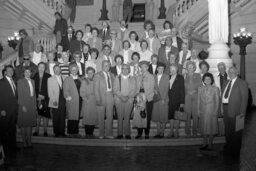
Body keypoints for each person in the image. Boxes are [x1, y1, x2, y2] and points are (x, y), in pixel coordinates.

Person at [222, 66, 248, 156]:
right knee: (228, 130)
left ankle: (236, 151)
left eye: (233, 71)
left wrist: (242, 112)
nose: (231, 73)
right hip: (226, 109)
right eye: (230, 72)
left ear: (237, 73)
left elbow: (245, 99)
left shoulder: (242, 83)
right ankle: (228, 147)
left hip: (237, 111)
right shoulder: (225, 82)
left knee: (237, 132)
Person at [113, 64, 136, 139]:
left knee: (127, 117)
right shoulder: (117, 78)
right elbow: (115, 89)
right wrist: (121, 96)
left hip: (129, 100)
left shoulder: (132, 78)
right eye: (123, 68)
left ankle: (127, 134)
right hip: (119, 100)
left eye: (127, 68)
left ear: (129, 70)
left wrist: (128, 97)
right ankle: (119, 134)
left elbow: (134, 90)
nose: (125, 70)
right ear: (121, 69)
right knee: (119, 117)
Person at [198, 73, 220, 151]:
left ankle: (210, 144)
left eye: (209, 79)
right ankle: (204, 143)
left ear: (211, 80)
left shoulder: (216, 89)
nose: (207, 80)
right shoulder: (200, 88)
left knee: (211, 128)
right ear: (203, 80)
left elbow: (217, 101)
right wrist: (198, 110)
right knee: (203, 127)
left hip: (211, 110)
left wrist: (216, 111)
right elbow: (198, 100)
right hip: (203, 111)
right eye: (206, 79)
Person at [0, 65, 18, 155]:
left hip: (14, 110)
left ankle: (13, 147)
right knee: (4, 130)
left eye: (12, 70)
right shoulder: (1, 82)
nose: (11, 71)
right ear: (5, 72)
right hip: (5, 111)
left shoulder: (14, 81)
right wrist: (1, 109)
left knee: (12, 129)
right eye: (9, 70)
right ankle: (4, 149)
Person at [17, 67, 37, 148]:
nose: (28, 73)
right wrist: (22, 105)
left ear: (31, 73)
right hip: (24, 105)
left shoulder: (33, 81)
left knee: (29, 124)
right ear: (23, 73)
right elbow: (20, 94)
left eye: (29, 72)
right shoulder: (20, 81)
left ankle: (29, 140)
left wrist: (35, 104)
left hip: (31, 104)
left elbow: (34, 94)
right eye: (26, 72)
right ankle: (24, 142)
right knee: (23, 124)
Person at [94, 60, 115, 139]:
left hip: (110, 96)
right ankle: (101, 134)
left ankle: (109, 133)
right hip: (101, 96)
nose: (106, 66)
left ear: (110, 66)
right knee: (101, 116)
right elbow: (95, 89)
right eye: (105, 65)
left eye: (108, 65)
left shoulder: (112, 75)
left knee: (110, 116)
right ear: (102, 66)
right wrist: (98, 99)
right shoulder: (97, 75)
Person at [135, 61, 155, 139]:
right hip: (139, 98)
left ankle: (146, 133)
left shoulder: (151, 76)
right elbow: (137, 88)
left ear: (147, 67)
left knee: (147, 117)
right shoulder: (138, 76)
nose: (143, 68)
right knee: (139, 116)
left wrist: (144, 98)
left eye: (144, 66)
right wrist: (137, 96)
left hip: (148, 98)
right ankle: (139, 133)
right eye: (141, 67)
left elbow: (151, 88)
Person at [63, 63, 82, 138]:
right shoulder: (67, 79)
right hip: (71, 100)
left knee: (76, 117)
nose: (74, 71)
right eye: (72, 69)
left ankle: (76, 132)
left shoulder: (80, 79)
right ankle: (70, 132)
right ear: (70, 70)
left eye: (76, 69)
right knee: (71, 117)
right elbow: (65, 90)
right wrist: (68, 97)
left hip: (79, 100)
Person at [33, 62, 51, 137]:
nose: (41, 68)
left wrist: (44, 96)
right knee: (38, 115)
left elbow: (50, 88)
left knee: (45, 116)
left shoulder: (48, 76)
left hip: (45, 98)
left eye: (43, 67)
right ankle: (36, 131)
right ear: (38, 67)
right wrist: (37, 95)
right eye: (40, 67)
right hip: (37, 98)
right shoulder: (35, 76)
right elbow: (33, 87)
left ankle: (45, 131)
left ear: (45, 68)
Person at [184, 61, 202, 137]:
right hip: (187, 96)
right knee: (187, 114)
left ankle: (194, 131)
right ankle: (187, 131)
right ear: (187, 68)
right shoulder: (184, 76)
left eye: (191, 67)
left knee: (195, 114)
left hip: (195, 96)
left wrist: (195, 91)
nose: (190, 68)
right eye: (189, 67)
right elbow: (182, 87)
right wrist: (187, 92)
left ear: (194, 68)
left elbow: (200, 86)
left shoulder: (198, 75)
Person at [152, 63, 169, 138]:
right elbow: (151, 86)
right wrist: (153, 90)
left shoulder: (166, 76)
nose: (161, 70)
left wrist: (163, 98)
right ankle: (158, 132)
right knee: (157, 116)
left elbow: (167, 88)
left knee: (163, 116)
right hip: (156, 99)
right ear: (157, 69)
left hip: (163, 99)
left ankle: (162, 132)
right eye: (159, 68)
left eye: (162, 69)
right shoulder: (153, 76)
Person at [48, 65, 66, 137]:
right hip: (55, 100)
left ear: (60, 70)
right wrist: (53, 100)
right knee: (56, 117)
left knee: (62, 117)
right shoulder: (50, 79)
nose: (57, 70)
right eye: (55, 69)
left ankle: (62, 132)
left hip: (63, 100)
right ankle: (56, 132)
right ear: (53, 70)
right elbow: (50, 91)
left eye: (58, 69)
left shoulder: (64, 78)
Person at [168, 64, 185, 138]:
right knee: (171, 116)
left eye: (174, 69)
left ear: (177, 70)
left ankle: (176, 131)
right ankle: (171, 131)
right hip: (169, 101)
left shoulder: (180, 77)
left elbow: (182, 90)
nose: (172, 71)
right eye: (171, 69)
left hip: (177, 101)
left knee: (177, 116)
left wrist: (182, 102)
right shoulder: (167, 77)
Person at [80, 67, 98, 138]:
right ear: (87, 73)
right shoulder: (84, 81)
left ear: (94, 73)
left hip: (94, 102)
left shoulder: (95, 81)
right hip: (87, 101)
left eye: (92, 72)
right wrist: (86, 99)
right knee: (87, 118)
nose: (90, 74)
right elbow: (82, 92)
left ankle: (91, 133)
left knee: (93, 118)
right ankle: (87, 134)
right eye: (89, 72)